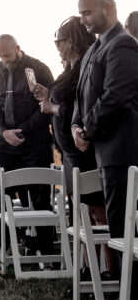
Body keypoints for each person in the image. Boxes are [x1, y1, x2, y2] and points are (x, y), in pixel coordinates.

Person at [72, 0, 138, 300]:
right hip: (103, 148)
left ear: (108, 8)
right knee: (118, 227)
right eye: (81, 15)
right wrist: (75, 126)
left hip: (122, 148)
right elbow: (81, 96)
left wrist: (90, 129)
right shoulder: (94, 49)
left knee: (125, 230)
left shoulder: (123, 45)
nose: (84, 20)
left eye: (87, 13)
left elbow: (116, 95)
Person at [0, 34, 54, 252]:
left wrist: (22, 131)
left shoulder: (39, 69)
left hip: (34, 140)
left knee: (40, 195)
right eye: (0, 56)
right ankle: (4, 247)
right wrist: (4, 131)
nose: (4, 60)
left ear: (17, 48)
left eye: (7, 55)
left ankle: (45, 250)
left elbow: (46, 106)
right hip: (5, 141)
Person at [33, 16, 98, 203]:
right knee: (78, 206)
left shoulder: (83, 68)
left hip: (81, 148)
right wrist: (48, 97)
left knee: (92, 206)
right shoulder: (71, 68)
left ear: (71, 42)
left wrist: (53, 107)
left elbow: (81, 107)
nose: (58, 48)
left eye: (59, 43)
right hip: (67, 150)